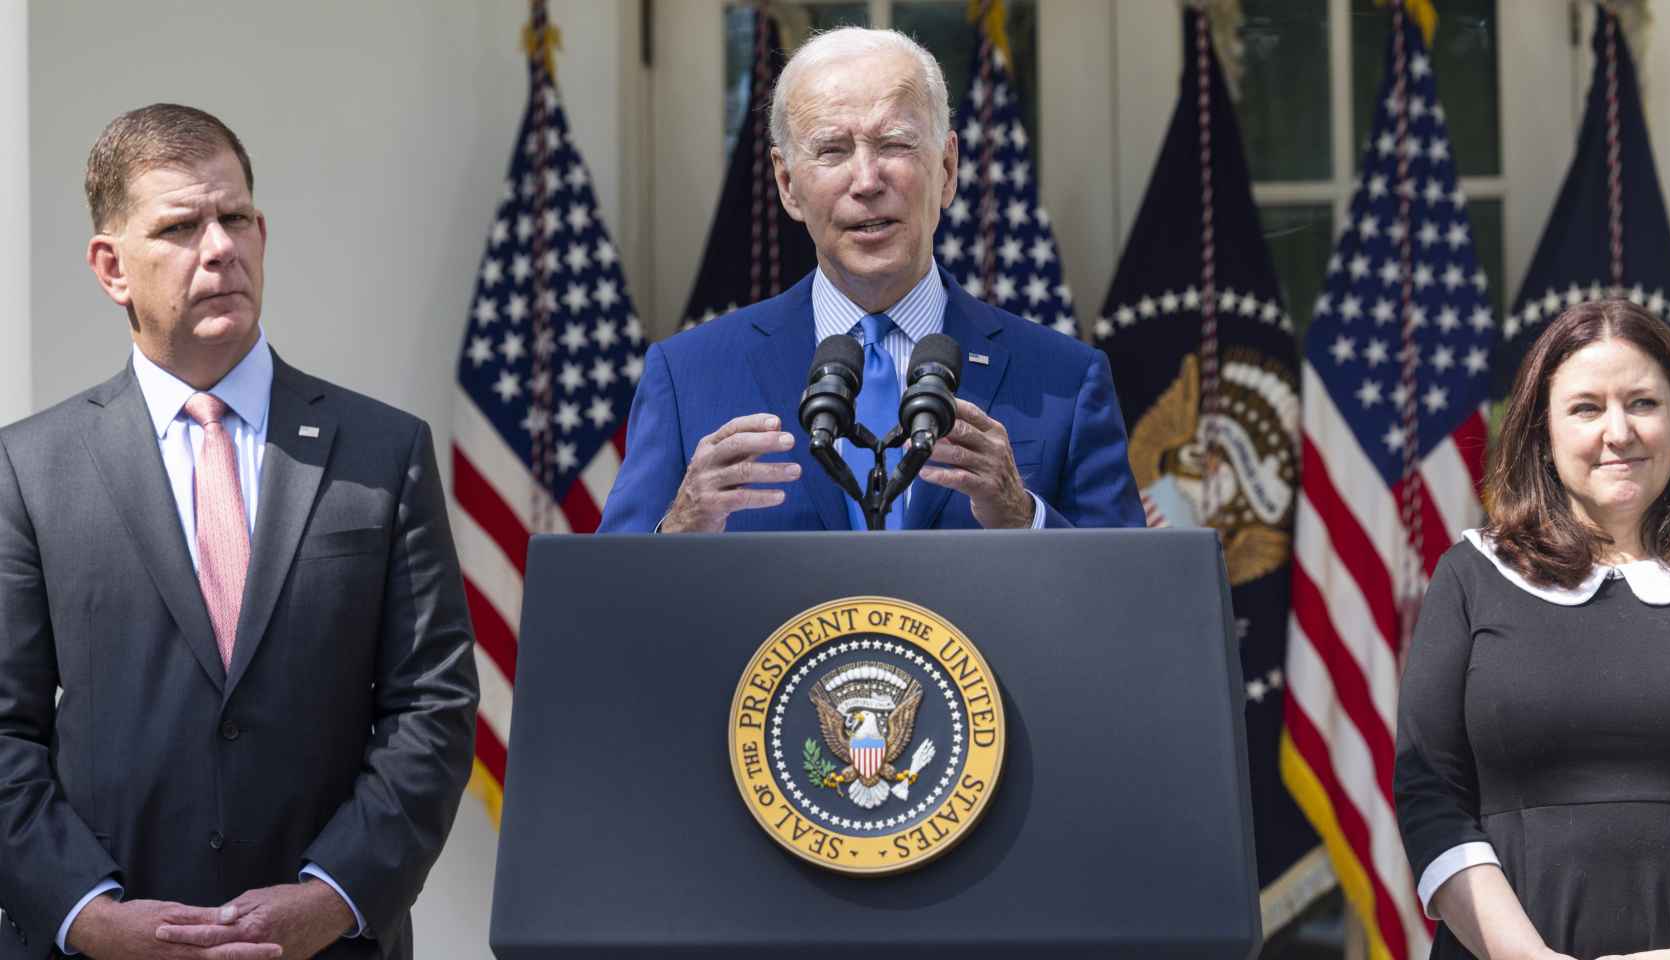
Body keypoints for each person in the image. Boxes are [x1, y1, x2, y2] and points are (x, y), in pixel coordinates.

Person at [0, 104, 478, 959]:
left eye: (237, 218)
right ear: (112, 267)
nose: (219, 246)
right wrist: (88, 914)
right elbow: (5, 733)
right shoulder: (30, 471)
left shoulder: (383, 450)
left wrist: (331, 897)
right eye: (181, 226)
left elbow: (432, 708)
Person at [598, 27, 1142, 533]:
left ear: (947, 169)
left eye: (895, 145)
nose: (866, 180)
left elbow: (1132, 609)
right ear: (787, 184)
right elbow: (606, 611)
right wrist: (676, 529)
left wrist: (1024, 518)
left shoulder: (1066, 381)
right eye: (832, 151)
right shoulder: (688, 377)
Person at [1396, 299, 1670, 960]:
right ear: (1541, 434)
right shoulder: (1469, 577)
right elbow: (1431, 793)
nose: (1617, 432)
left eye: (1644, 404)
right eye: (1586, 408)